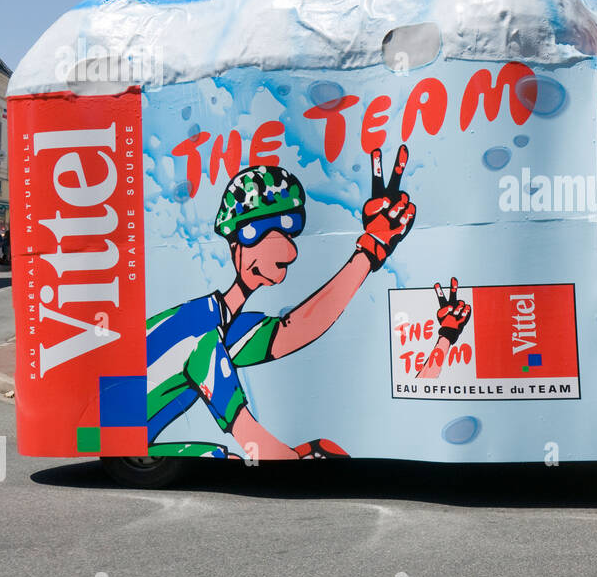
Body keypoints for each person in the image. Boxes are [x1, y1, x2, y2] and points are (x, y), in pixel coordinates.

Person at [144, 147, 417, 459]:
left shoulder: (218, 321)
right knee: (229, 457)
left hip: (130, 431)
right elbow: (250, 439)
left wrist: (371, 249)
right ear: (237, 242)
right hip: (113, 428)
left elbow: (295, 328)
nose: (287, 250)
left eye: (290, 229)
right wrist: (300, 456)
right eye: (262, 231)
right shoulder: (200, 335)